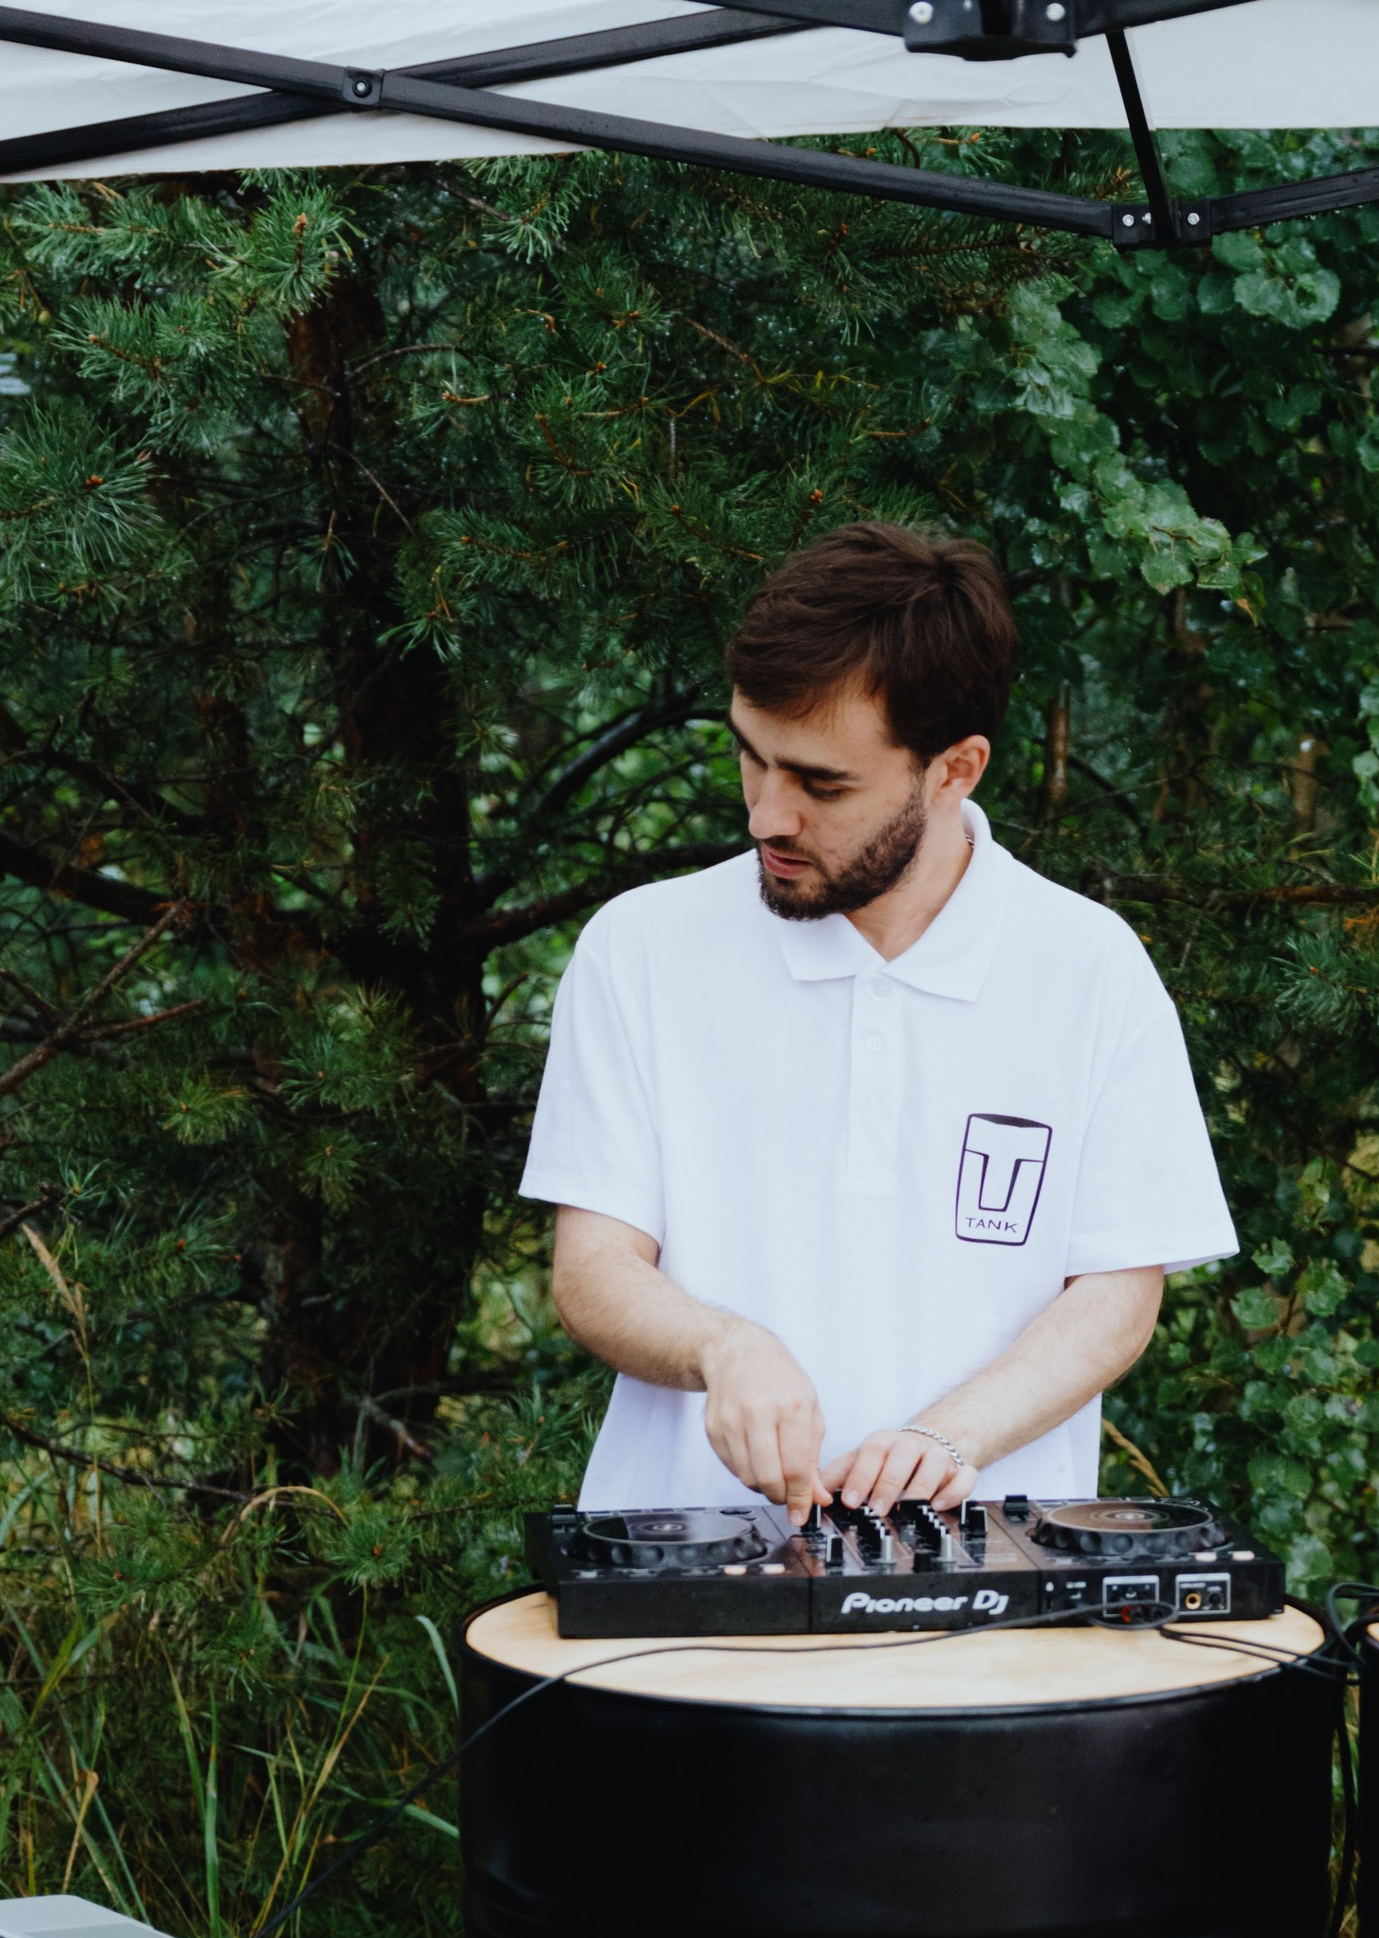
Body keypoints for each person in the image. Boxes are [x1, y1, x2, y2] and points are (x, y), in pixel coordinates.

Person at [521, 520, 1237, 1516]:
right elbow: (593, 1269)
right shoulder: (639, 948)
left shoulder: (1091, 971)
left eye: (822, 783)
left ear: (955, 769)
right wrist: (721, 1347)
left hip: (987, 1612)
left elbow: (1117, 1291)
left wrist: (952, 1437)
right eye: (752, 758)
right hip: (677, 1600)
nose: (767, 814)